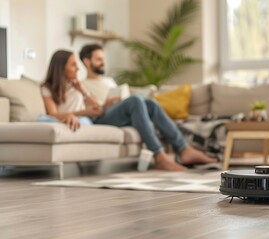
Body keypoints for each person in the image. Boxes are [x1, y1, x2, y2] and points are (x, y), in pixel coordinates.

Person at [40, 49, 216, 171]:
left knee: (150, 104)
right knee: (135, 101)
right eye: (73, 65)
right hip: (90, 120)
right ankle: (159, 155)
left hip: (96, 115)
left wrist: (83, 92)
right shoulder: (47, 87)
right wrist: (78, 113)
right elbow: (52, 114)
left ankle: (183, 148)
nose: (77, 69)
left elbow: (95, 108)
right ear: (61, 66)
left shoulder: (77, 86)